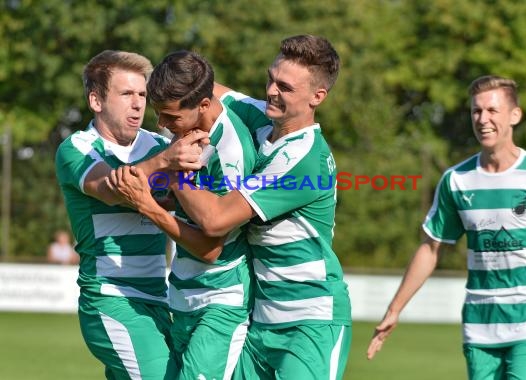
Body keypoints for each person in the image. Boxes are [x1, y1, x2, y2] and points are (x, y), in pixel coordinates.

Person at [109, 35, 352, 379]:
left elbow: (215, 220)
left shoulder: (303, 159)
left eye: (285, 87)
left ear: (317, 97)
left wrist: (175, 166)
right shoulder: (256, 113)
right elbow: (202, 85)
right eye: (270, 78)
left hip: (310, 318)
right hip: (262, 318)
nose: (271, 90)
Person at [367, 75, 526, 380]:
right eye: (476, 111)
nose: (483, 119)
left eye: (492, 110)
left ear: (514, 115)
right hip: (480, 320)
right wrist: (395, 309)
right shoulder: (456, 180)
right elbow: (431, 248)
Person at [55, 50, 208, 380]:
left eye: (142, 94)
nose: (138, 103)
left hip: (161, 298)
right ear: (96, 101)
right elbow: (112, 189)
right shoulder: (78, 148)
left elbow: (184, 201)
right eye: (126, 94)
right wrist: (167, 161)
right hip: (111, 298)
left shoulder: (157, 144)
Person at [109, 50, 258, 380]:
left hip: (221, 300)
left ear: (203, 106)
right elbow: (175, 198)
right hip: (181, 295)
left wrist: (146, 203)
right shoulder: (183, 134)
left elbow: (210, 248)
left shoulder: (231, 150)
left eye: (171, 117)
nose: (162, 124)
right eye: (159, 115)